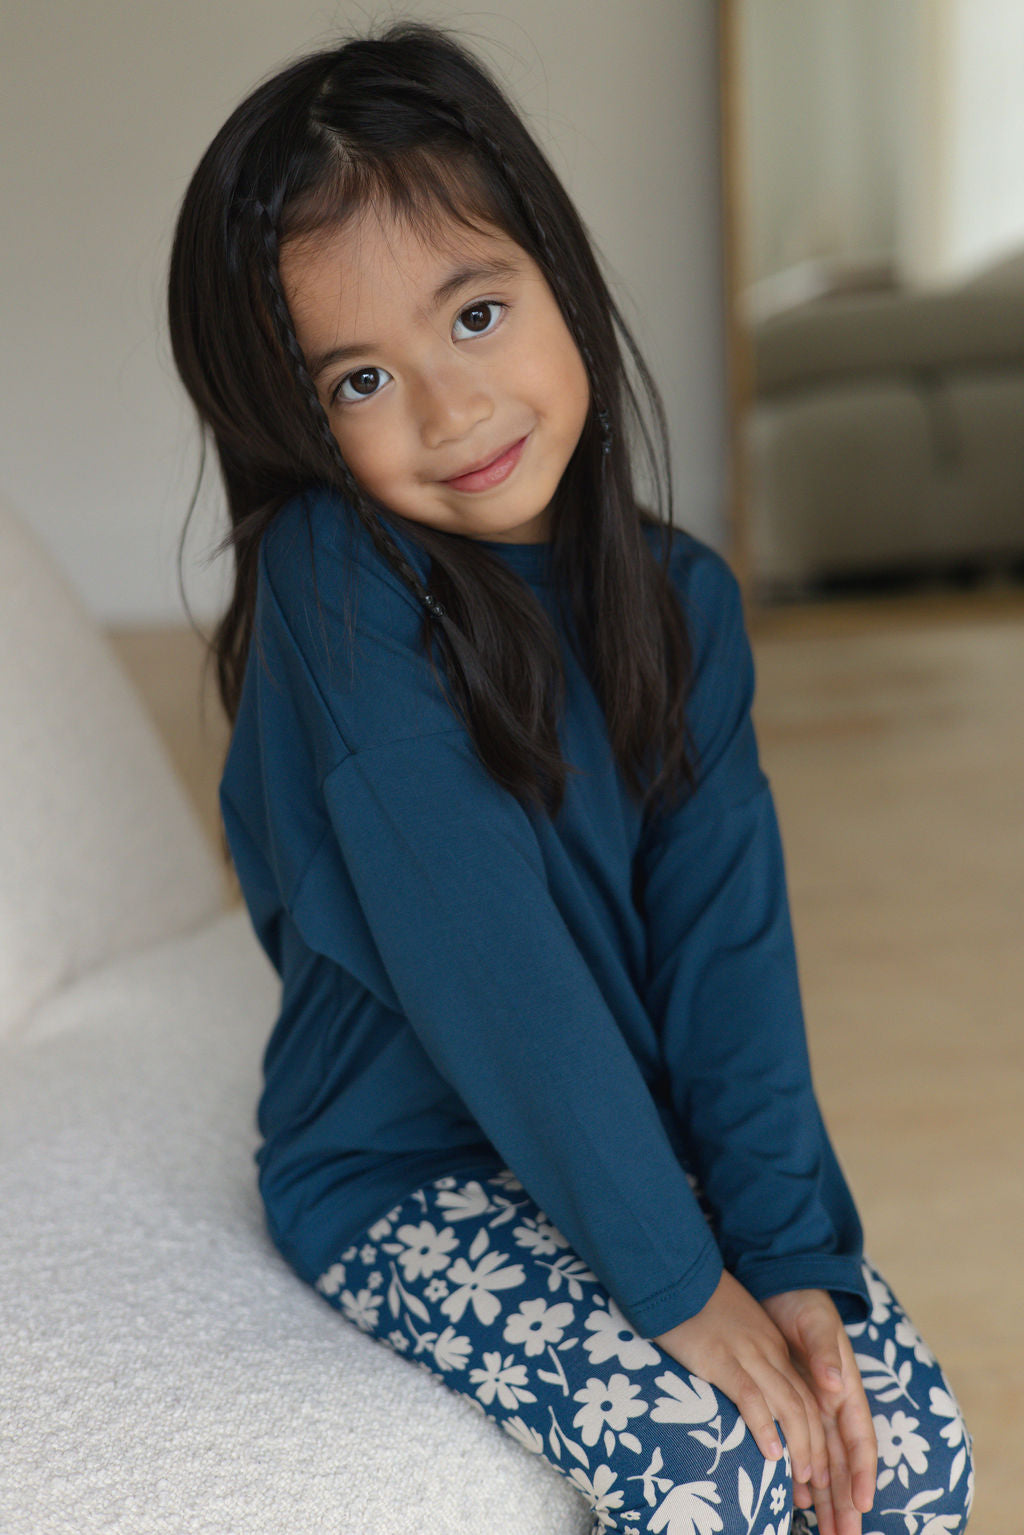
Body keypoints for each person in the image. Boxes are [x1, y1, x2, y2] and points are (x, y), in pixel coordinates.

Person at [166, 21, 973, 1535]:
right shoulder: (333, 581)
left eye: (477, 315)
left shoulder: (685, 602)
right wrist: (676, 1284)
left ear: (561, 279)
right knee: (723, 1469)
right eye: (359, 379)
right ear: (296, 420)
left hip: (632, 1144)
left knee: (911, 1458)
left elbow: (729, 956)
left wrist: (788, 1257)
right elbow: (487, 959)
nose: (451, 409)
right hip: (405, 1164)